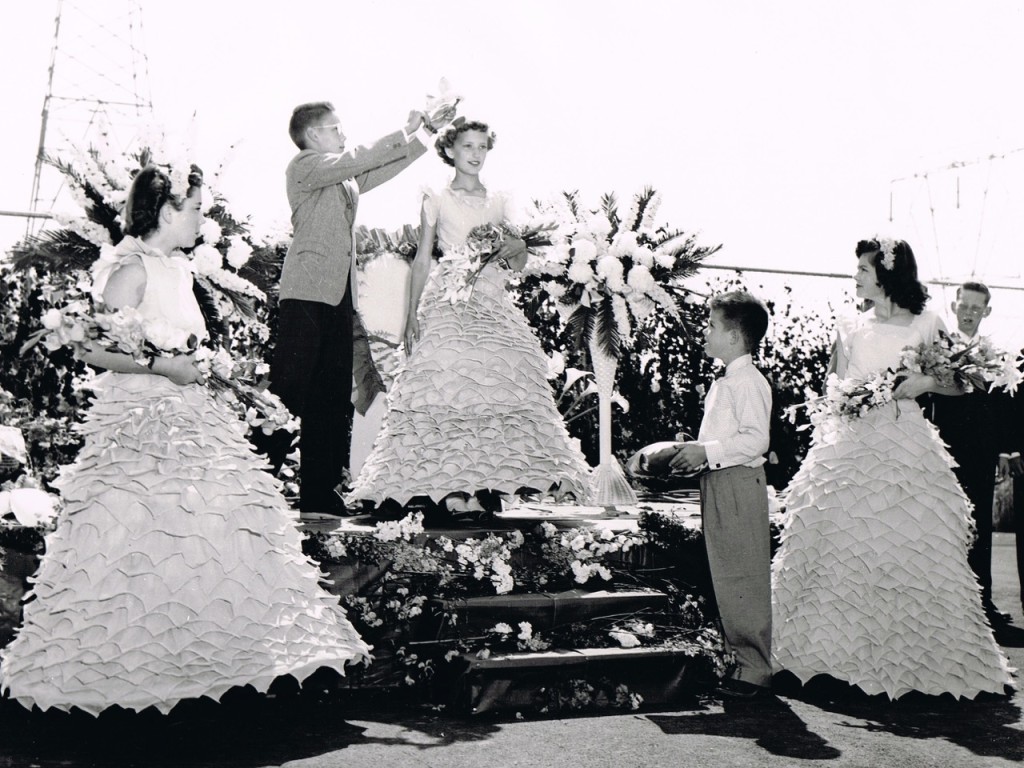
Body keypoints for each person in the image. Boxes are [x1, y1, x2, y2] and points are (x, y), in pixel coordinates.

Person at [0, 166, 370, 715]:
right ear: (169, 211)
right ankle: (137, 673)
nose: (204, 217)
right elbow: (90, 349)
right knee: (141, 541)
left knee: (219, 534)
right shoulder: (129, 269)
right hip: (140, 423)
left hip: (194, 417)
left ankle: (222, 668)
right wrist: (161, 366)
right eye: (197, 208)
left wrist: (203, 370)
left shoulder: (179, 269)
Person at [771, 238, 1014, 700]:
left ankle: (911, 659)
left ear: (887, 272)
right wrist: (843, 400)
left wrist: (922, 382)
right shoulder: (848, 324)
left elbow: (964, 380)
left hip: (903, 439)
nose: (857, 276)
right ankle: (826, 660)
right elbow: (833, 382)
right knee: (836, 540)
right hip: (846, 445)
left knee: (904, 539)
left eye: (863, 268)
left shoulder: (925, 322)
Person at [347, 119, 591, 515]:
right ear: (451, 150)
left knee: (496, 386)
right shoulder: (435, 196)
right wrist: (410, 316)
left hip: (492, 299)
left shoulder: (500, 199)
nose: (475, 154)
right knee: (447, 386)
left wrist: (515, 246)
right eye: (468, 147)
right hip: (448, 299)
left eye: (482, 147)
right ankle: (450, 489)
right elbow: (423, 258)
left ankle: (487, 486)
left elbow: (518, 263)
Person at [271, 101, 452, 518]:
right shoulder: (304, 165)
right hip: (306, 295)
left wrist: (423, 135)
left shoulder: (341, 178)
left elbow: (379, 167)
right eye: (336, 129)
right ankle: (258, 479)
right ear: (314, 135)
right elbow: (360, 157)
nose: (343, 135)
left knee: (331, 395)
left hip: (338, 298)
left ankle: (320, 493)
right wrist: (405, 127)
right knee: (289, 389)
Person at [667, 291, 774, 698]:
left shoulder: (748, 381)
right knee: (727, 572)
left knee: (743, 573)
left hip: (738, 485)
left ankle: (755, 669)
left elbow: (755, 441)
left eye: (711, 325)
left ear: (733, 336)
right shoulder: (729, 379)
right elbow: (725, 437)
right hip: (719, 481)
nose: (704, 331)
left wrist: (706, 451)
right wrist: (693, 448)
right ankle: (741, 663)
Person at [927, 282, 1014, 628]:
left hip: (980, 456)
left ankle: (982, 605)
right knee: (942, 528)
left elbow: (1000, 408)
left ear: (987, 312)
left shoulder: (994, 354)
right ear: (953, 305)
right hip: (942, 454)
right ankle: (943, 609)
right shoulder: (936, 348)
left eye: (977, 308)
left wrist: (1003, 451)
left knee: (980, 531)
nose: (969, 313)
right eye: (964, 306)